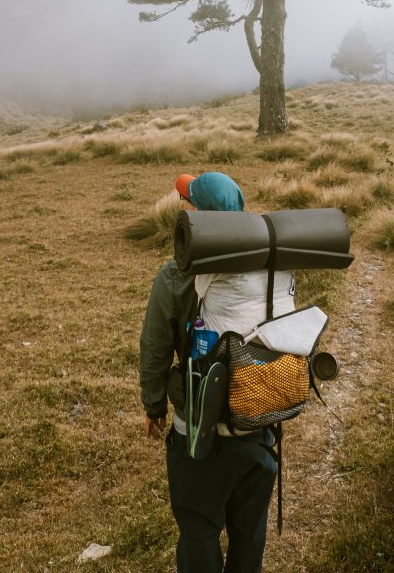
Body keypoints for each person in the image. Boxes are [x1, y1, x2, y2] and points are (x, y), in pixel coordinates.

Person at [140, 171, 287, 573]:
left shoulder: (175, 276)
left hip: (200, 439)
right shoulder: (272, 269)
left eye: (188, 202)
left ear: (199, 216)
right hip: (260, 430)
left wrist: (153, 406)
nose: (182, 207)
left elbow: (155, 349)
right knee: (249, 532)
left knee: (199, 529)